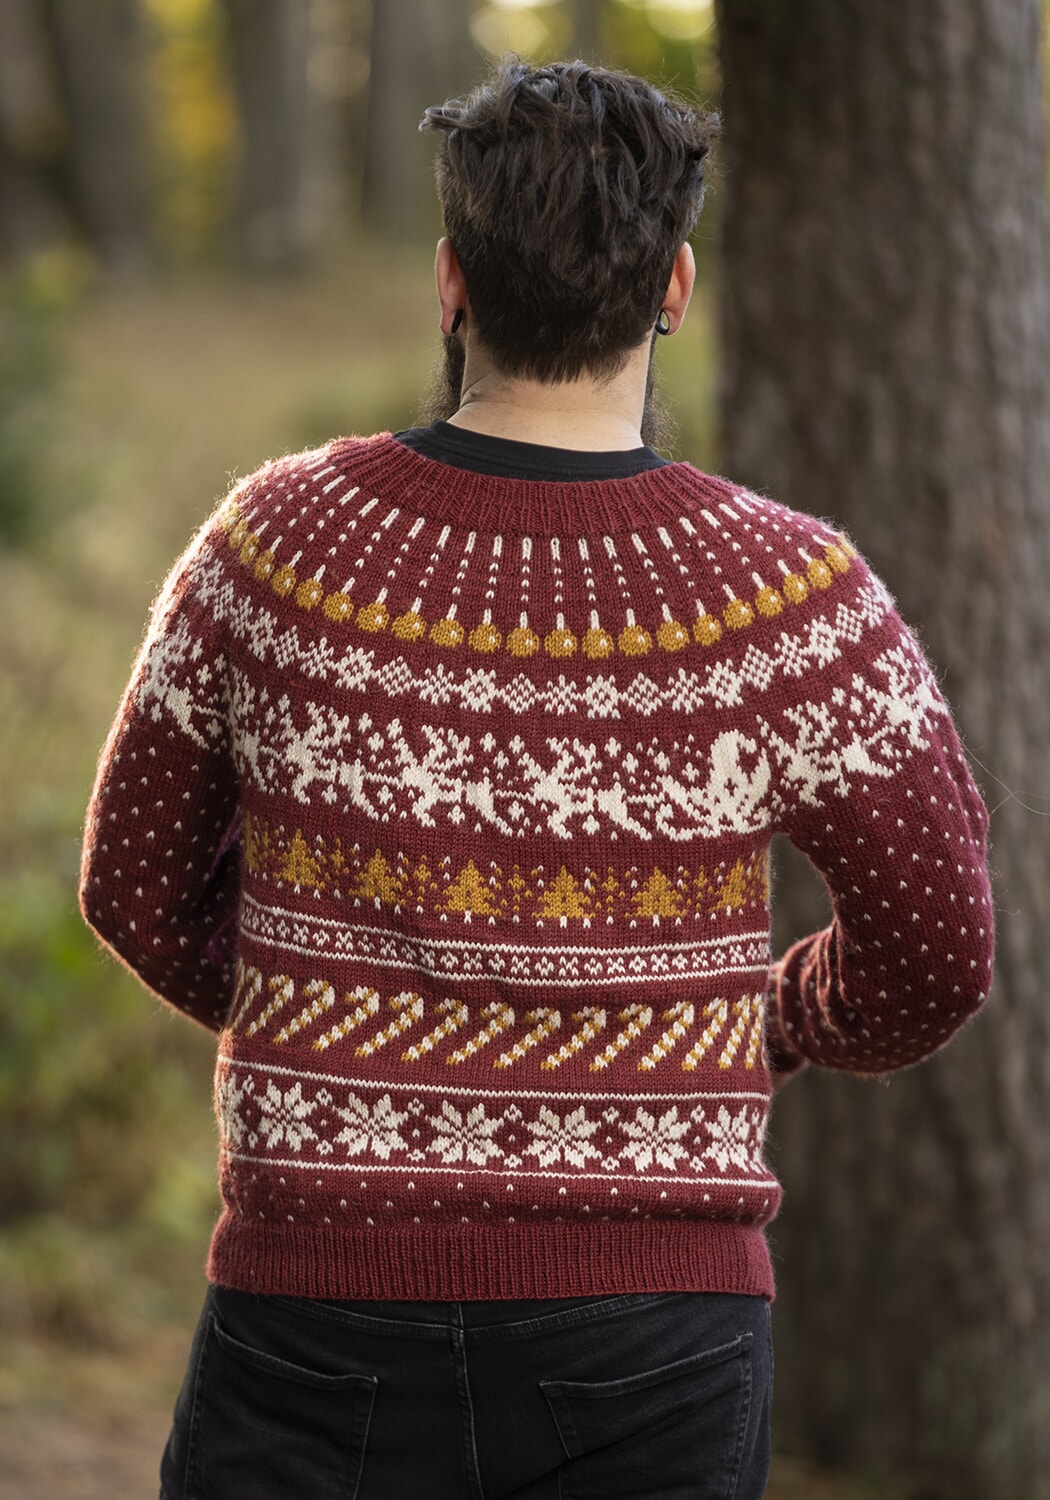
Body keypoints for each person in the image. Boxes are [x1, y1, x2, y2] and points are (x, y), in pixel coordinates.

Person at [80, 59, 994, 1500]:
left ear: (451, 280)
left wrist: (344, 1023)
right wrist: (753, 1027)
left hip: (317, 1308)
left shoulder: (275, 546)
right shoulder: (793, 598)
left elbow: (132, 886)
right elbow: (937, 945)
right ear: (673, 288)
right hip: (656, 1335)